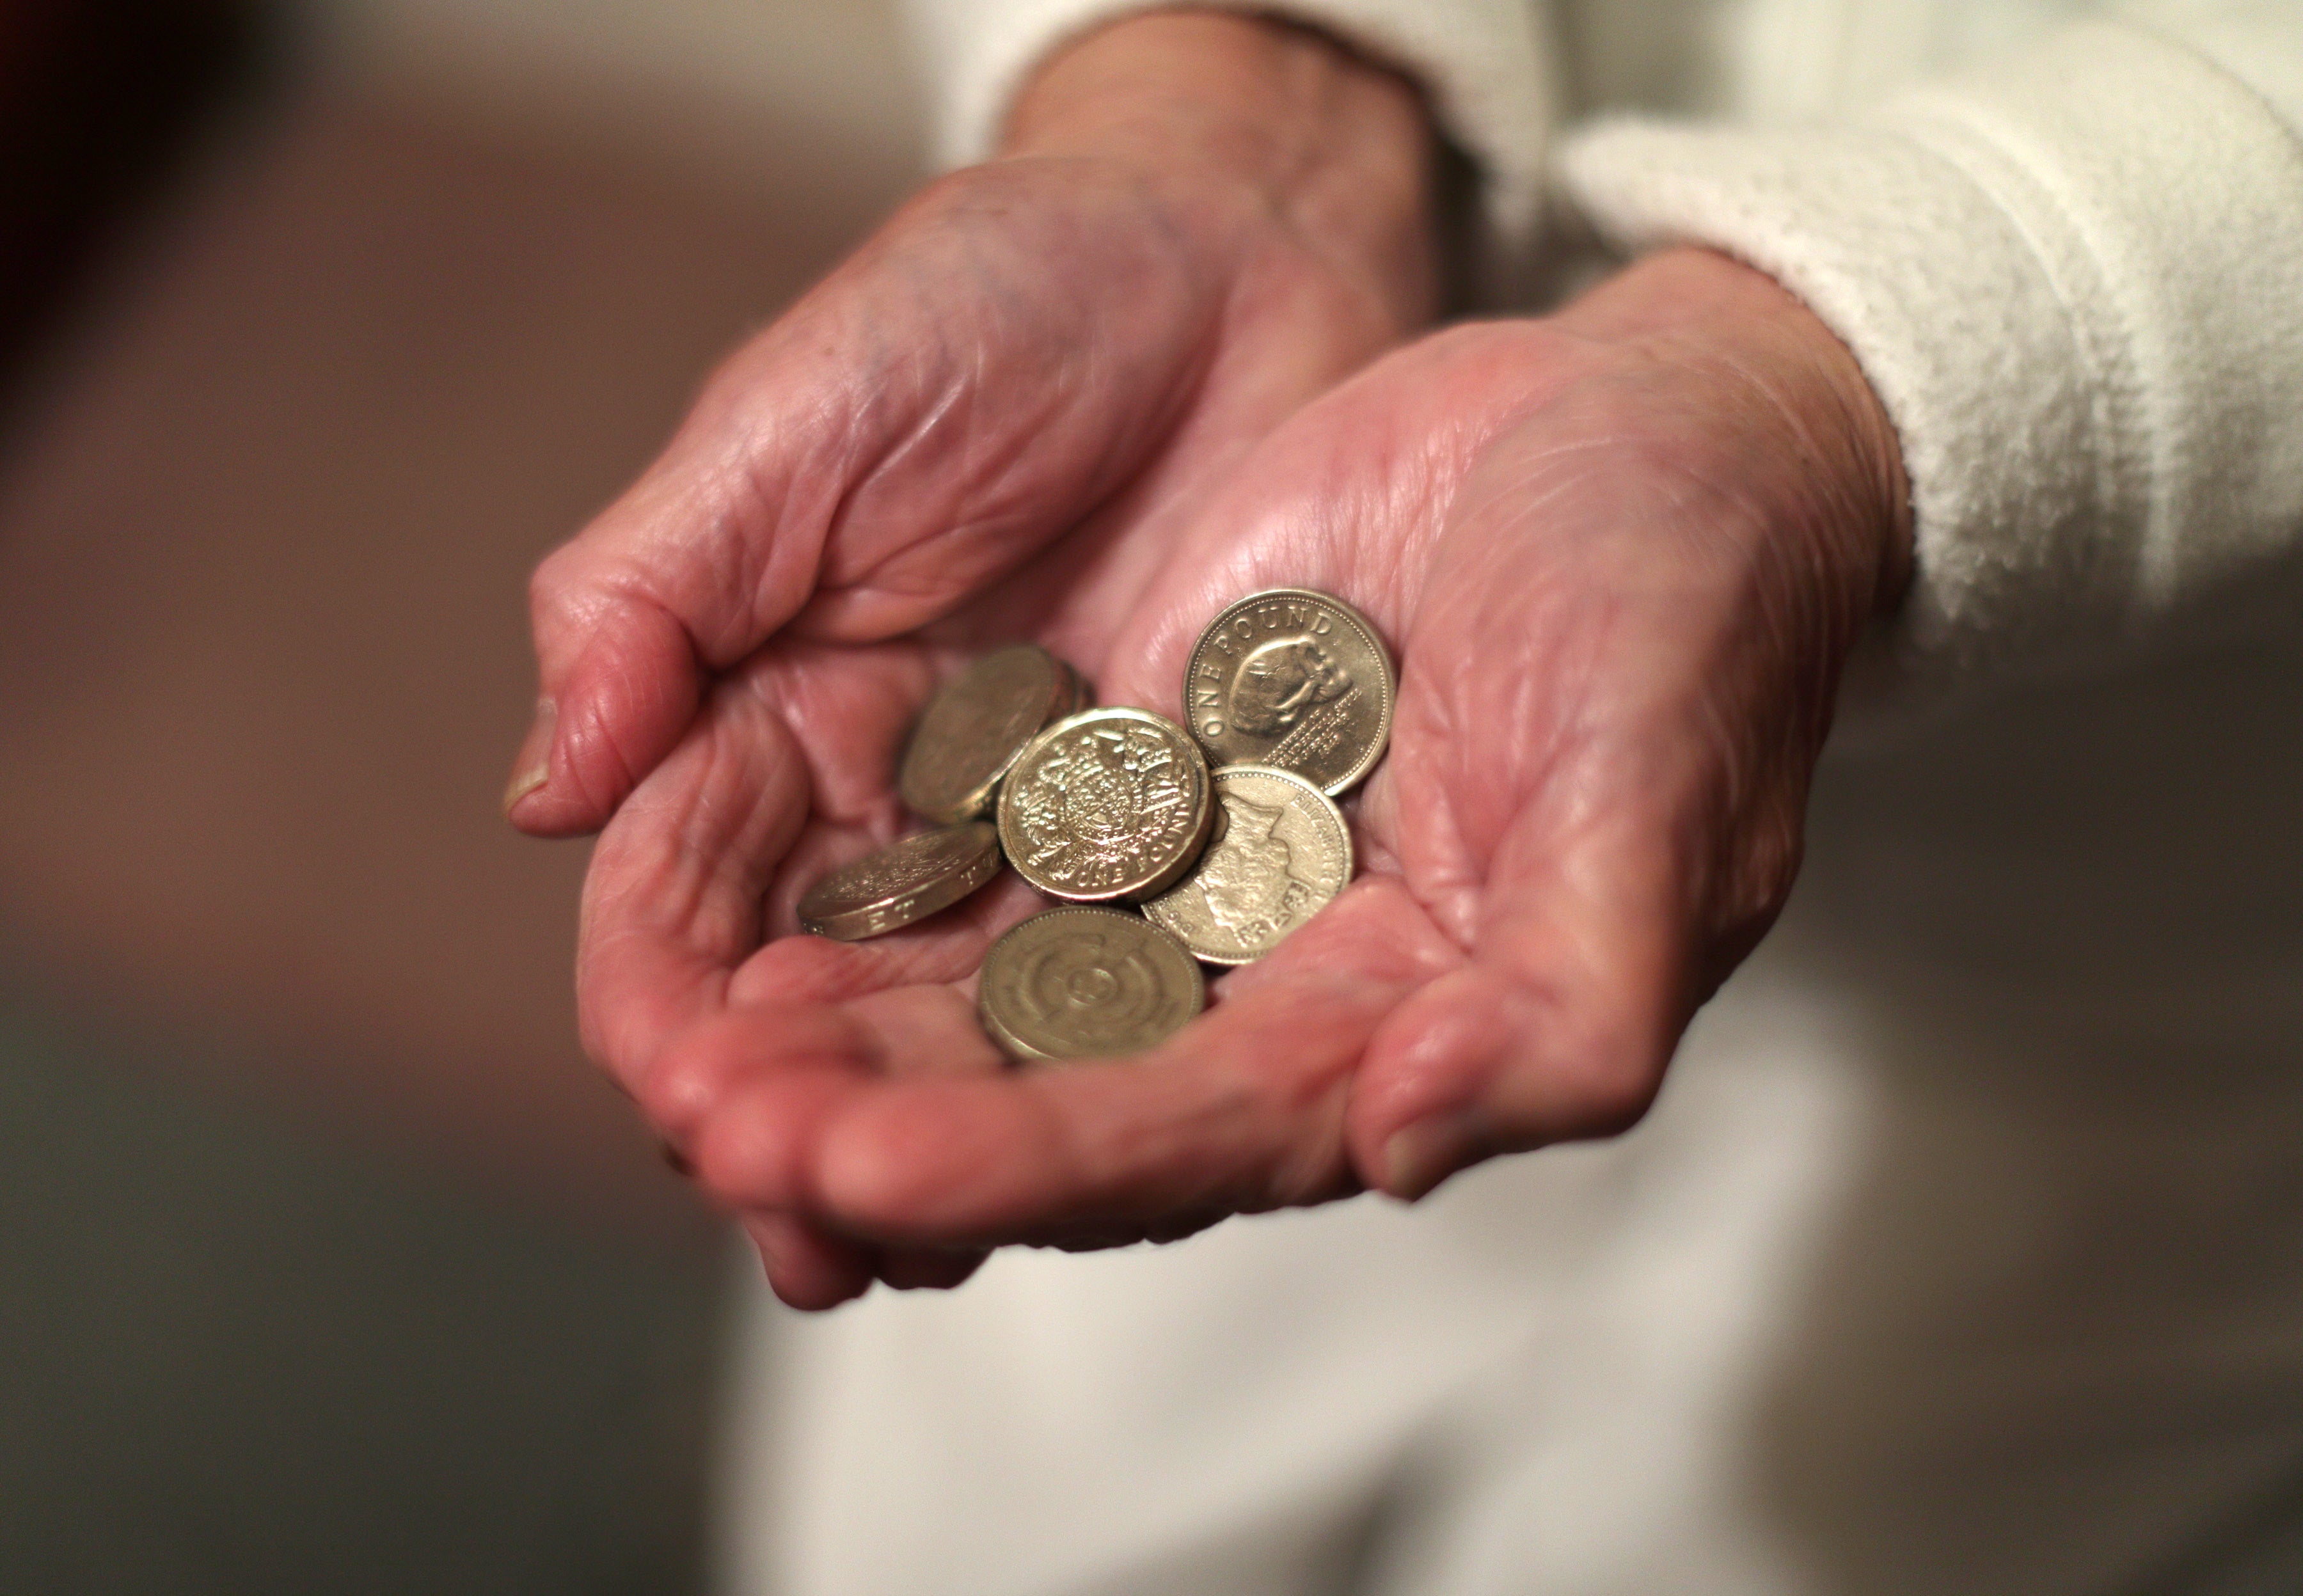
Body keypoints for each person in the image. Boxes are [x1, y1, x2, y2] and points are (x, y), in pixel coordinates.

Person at [507, 2, 2303, 1590]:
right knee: (991, 1492)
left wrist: (1875, 375)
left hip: (2205, 844)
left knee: (1829, 1518)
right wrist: (1225, 77)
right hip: (1373, 459)